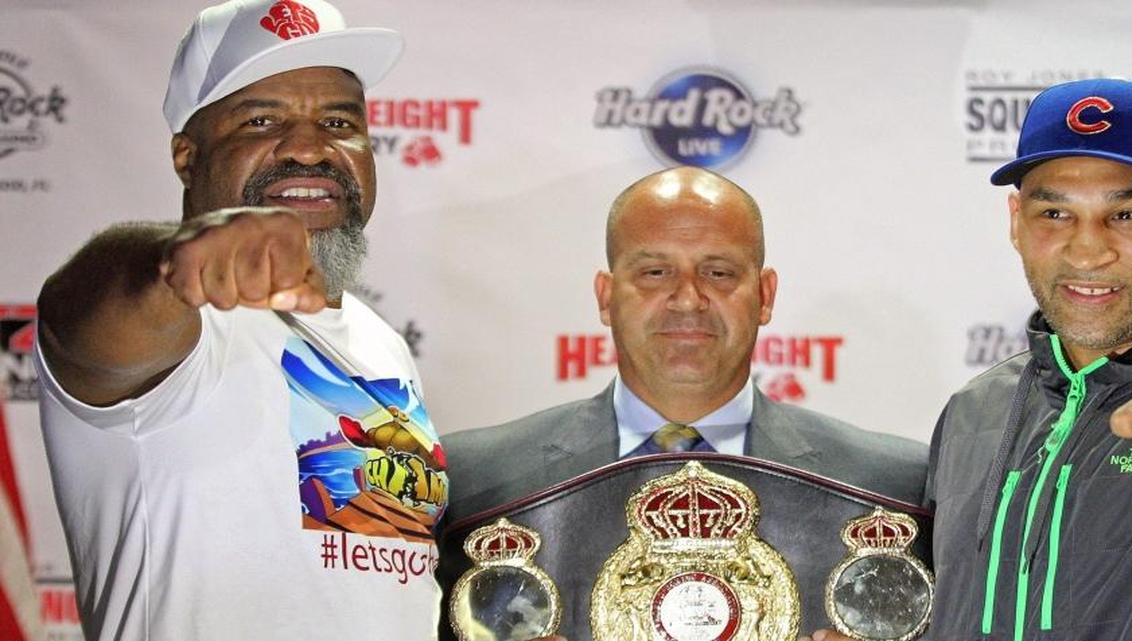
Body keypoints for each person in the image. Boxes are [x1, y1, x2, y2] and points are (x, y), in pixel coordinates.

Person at [33, 2, 449, 640]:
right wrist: (175, 260)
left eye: (339, 120)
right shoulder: (178, 317)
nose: (310, 147)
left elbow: (369, 589)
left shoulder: (380, 343)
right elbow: (81, 319)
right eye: (262, 119)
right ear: (186, 158)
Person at [441, 166, 929, 638]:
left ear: (764, 295)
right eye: (655, 272)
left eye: (718, 273)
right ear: (606, 298)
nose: (688, 298)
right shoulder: (474, 485)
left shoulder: (891, 490)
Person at [916, 77, 1132, 641]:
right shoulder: (974, 410)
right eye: (1056, 215)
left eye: (1127, 216)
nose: (1089, 250)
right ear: (1016, 221)